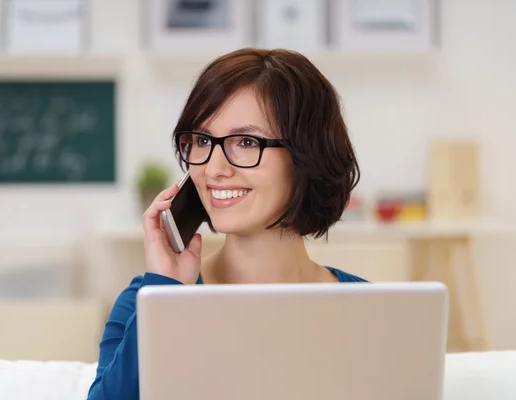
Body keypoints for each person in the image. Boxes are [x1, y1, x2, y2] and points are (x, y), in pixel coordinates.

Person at [86, 47, 368, 400]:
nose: (214, 169)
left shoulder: (369, 310)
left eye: (246, 142)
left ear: (306, 156)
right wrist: (165, 295)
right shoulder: (148, 301)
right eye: (203, 140)